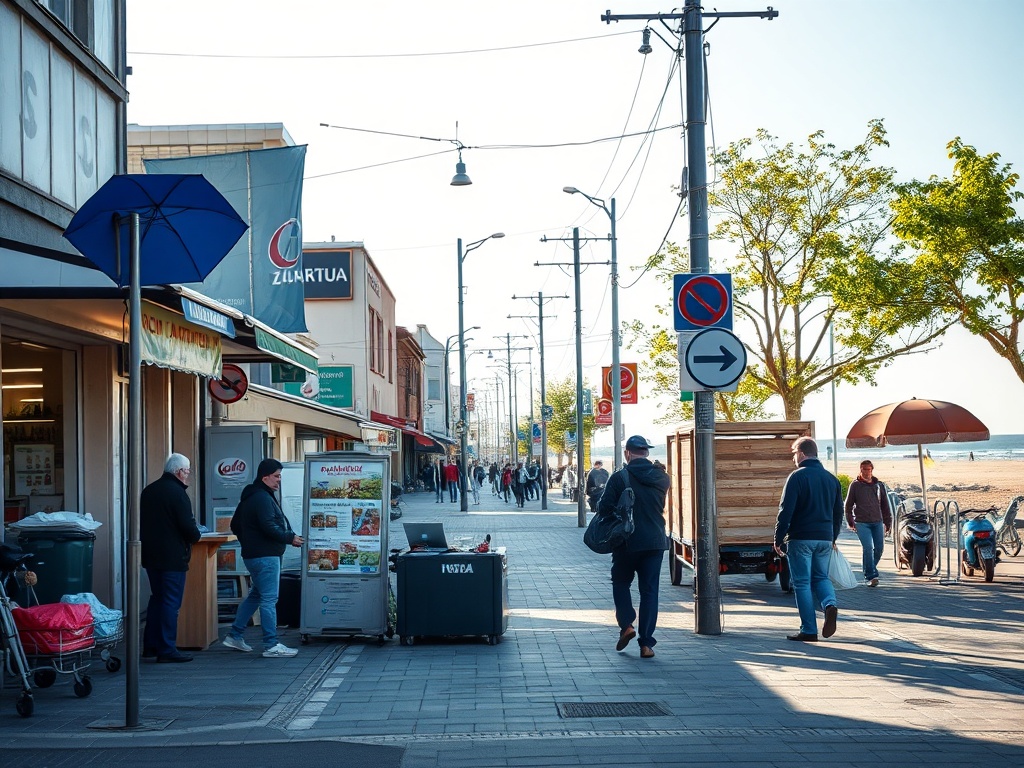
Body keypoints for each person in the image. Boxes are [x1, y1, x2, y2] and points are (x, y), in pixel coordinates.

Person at [598, 435, 671, 659]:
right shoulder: (662, 477)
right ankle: (646, 644)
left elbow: (604, 508)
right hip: (655, 542)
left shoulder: (619, 477)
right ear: (646, 452)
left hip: (627, 542)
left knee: (621, 583)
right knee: (649, 591)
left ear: (627, 453)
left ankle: (627, 625)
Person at [224, 458, 304, 658]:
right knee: (269, 599)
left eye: (280, 476)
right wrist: (289, 538)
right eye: (276, 476)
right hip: (266, 556)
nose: (279, 480)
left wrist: (249, 541)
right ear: (265, 477)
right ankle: (271, 644)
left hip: (254, 555)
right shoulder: (262, 498)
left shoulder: (251, 496)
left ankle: (234, 635)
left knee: (256, 596)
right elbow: (269, 526)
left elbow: (235, 525)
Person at [774, 437, 844, 642]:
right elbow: (838, 513)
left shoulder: (797, 477)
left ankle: (809, 629)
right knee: (821, 577)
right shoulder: (832, 479)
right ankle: (829, 604)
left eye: (794, 453)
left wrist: (778, 538)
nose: (793, 458)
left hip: (801, 538)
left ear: (802, 453)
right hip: (825, 538)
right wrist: (833, 537)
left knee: (802, 583)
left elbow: (786, 511)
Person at [140, 453, 201, 663]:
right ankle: (166, 649)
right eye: (187, 471)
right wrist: (196, 536)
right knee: (170, 602)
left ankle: (151, 645)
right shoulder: (177, 493)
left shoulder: (149, 490)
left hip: (151, 555)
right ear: (179, 471)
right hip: (172, 556)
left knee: (157, 598)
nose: (188, 475)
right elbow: (187, 525)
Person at [844, 460, 892, 587]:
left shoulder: (879, 485)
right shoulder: (855, 485)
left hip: (877, 522)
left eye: (869, 469)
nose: (866, 472)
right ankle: (871, 576)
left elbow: (885, 505)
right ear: (860, 470)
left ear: (872, 470)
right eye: (864, 469)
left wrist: (888, 522)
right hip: (861, 523)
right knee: (868, 548)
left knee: (879, 549)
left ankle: (869, 569)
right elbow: (848, 505)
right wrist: (850, 521)